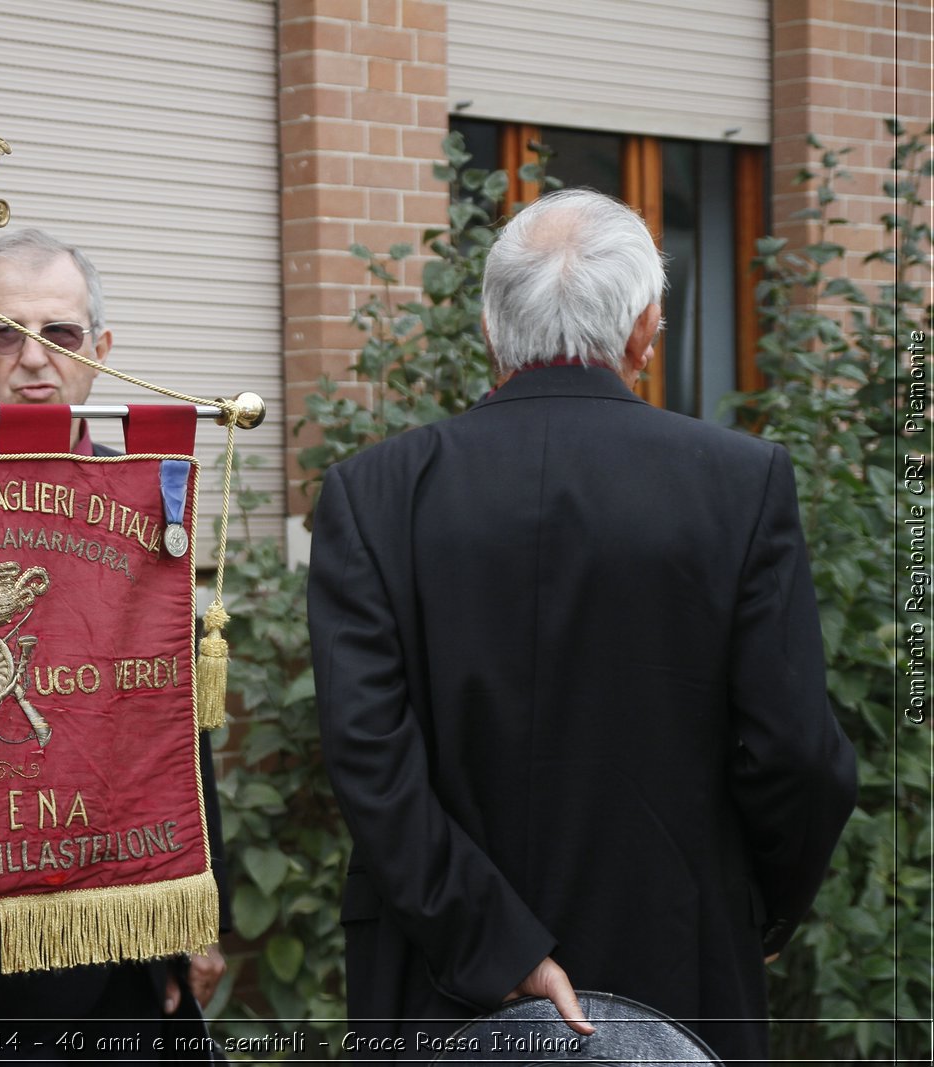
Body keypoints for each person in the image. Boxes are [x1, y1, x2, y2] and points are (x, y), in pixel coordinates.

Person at [308, 189, 856, 1063]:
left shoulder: (372, 494)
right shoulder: (739, 483)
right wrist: (766, 907)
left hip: (442, 973)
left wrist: (496, 941)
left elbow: (370, 758)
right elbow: (796, 750)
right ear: (647, 329)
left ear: (491, 330)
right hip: (678, 958)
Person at [0, 228, 229, 1058]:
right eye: (1, 333)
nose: (31, 359)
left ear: (100, 349)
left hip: (121, 937)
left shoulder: (147, 501)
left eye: (59, 333)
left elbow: (180, 727)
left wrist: (199, 916)